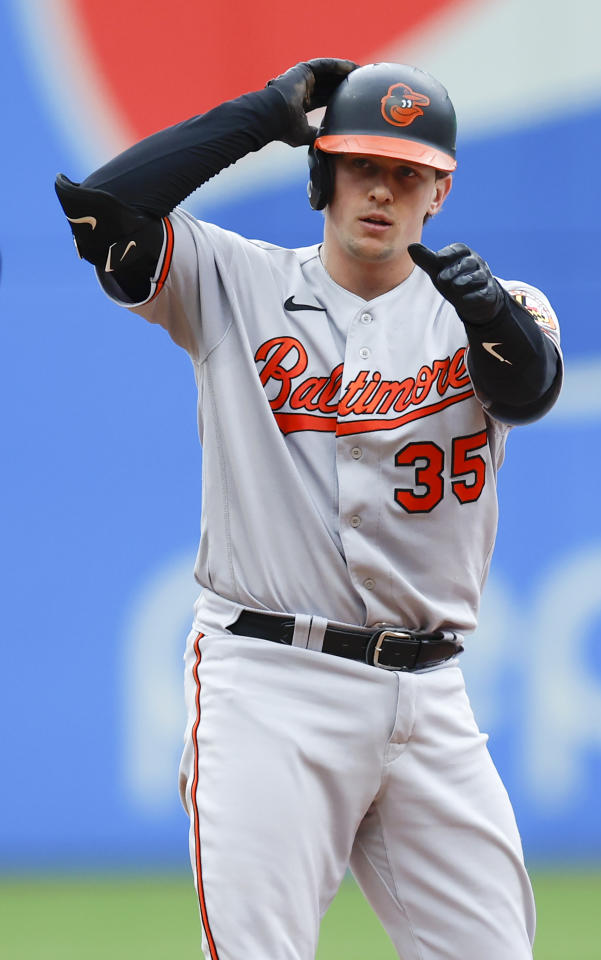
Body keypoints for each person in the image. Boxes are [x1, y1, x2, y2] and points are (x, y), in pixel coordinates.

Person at [55, 58, 562, 960]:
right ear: (323, 174)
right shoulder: (232, 280)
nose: (383, 190)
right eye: (363, 163)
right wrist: (260, 116)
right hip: (270, 682)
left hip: (430, 693)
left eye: (409, 172)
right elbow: (103, 209)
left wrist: (490, 318)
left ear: (440, 192)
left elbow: (527, 391)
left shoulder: (501, 311)